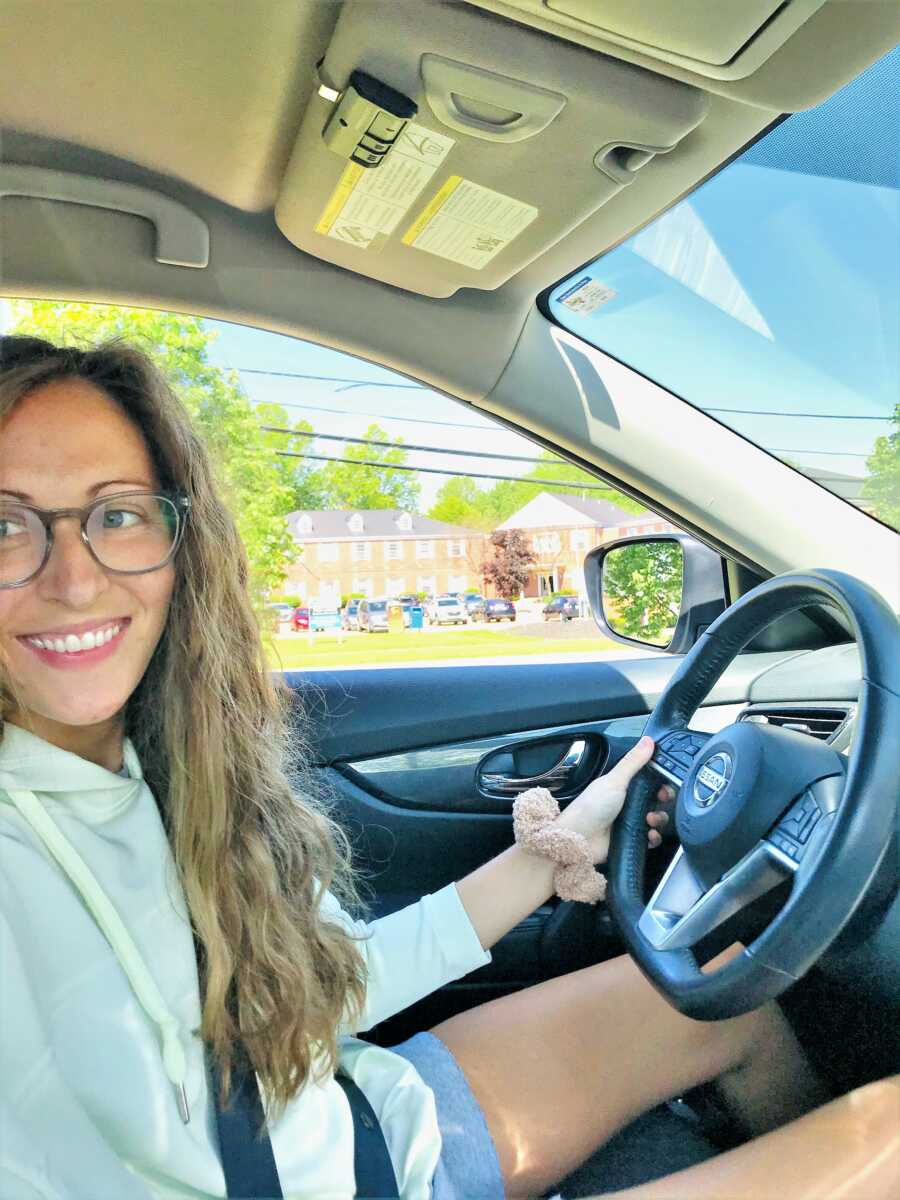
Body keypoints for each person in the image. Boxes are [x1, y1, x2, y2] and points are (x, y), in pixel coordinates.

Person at [0, 336, 894, 1200]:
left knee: (724, 996)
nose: (74, 580)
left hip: (362, 1120)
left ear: (178, 540)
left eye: (116, 514)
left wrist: (551, 854)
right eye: (5, 524)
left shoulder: (159, 763)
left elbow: (319, 985)